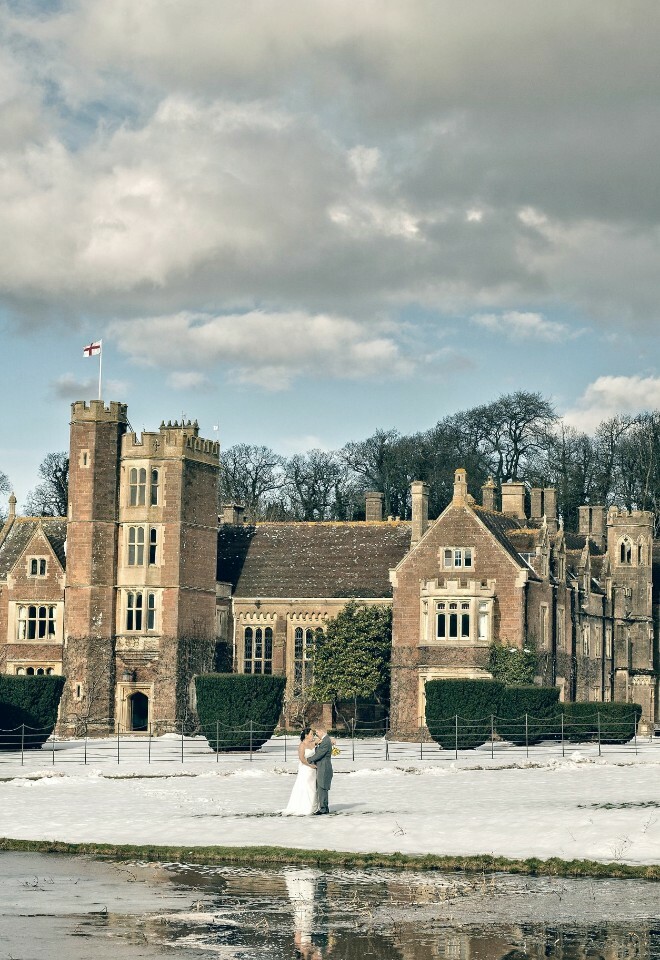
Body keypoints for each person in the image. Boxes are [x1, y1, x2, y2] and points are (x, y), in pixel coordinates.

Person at [282, 728, 320, 816]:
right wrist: (311, 766)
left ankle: (313, 806)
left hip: (313, 770)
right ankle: (305, 806)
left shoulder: (313, 743)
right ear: (306, 735)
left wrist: (332, 740)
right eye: (311, 734)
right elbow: (302, 759)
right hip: (306, 768)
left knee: (313, 787)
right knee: (305, 786)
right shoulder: (302, 745)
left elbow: (322, 739)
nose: (312, 736)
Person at [307, 725, 333, 814]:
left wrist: (309, 760)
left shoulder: (326, 741)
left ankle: (324, 808)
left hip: (324, 767)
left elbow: (320, 754)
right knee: (321, 787)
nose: (316, 734)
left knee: (322, 787)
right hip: (321, 766)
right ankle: (323, 807)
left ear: (321, 731)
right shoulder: (325, 740)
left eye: (317, 732)